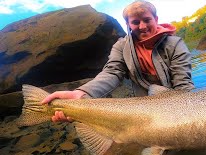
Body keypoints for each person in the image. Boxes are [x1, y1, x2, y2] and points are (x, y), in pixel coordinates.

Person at [41, 0, 194, 121]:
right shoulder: (121, 46)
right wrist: (82, 93)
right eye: (135, 22)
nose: (142, 26)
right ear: (128, 24)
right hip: (144, 109)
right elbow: (112, 73)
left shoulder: (175, 44)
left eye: (147, 20)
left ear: (156, 19)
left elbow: (183, 84)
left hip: (176, 103)